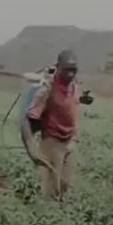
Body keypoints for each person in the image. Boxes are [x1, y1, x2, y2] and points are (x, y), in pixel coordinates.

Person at [22, 50, 81, 201]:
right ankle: (48, 219)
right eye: (66, 69)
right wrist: (32, 151)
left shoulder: (73, 87)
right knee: (52, 190)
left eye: (73, 69)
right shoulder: (47, 89)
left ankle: (64, 217)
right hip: (52, 142)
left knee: (67, 186)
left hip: (70, 141)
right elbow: (27, 120)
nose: (70, 74)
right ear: (58, 67)